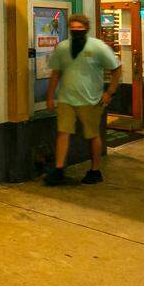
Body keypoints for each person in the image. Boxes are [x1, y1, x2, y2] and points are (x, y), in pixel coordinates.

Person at [43, 13, 121, 185]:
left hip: (91, 100)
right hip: (66, 99)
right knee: (63, 133)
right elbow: (56, 73)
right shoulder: (62, 48)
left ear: (86, 28)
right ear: (69, 29)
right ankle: (59, 169)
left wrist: (110, 92)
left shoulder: (98, 47)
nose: (76, 31)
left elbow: (116, 69)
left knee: (92, 135)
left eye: (80, 28)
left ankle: (95, 170)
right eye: (73, 28)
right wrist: (50, 96)